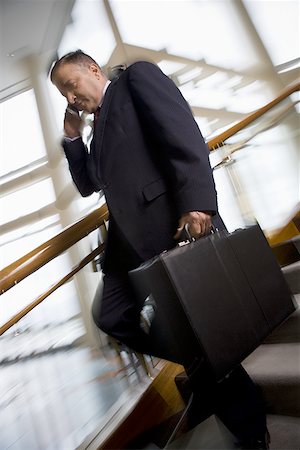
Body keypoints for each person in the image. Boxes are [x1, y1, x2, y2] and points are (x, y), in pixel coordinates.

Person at [50, 50, 270, 449]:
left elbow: (181, 133)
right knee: (111, 315)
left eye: (70, 86)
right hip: (128, 246)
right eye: (62, 94)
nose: (69, 97)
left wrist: (199, 201)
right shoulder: (95, 132)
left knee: (200, 331)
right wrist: (71, 138)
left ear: (93, 70)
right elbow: (88, 185)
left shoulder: (136, 82)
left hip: (172, 225)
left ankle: (250, 429)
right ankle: (205, 362)